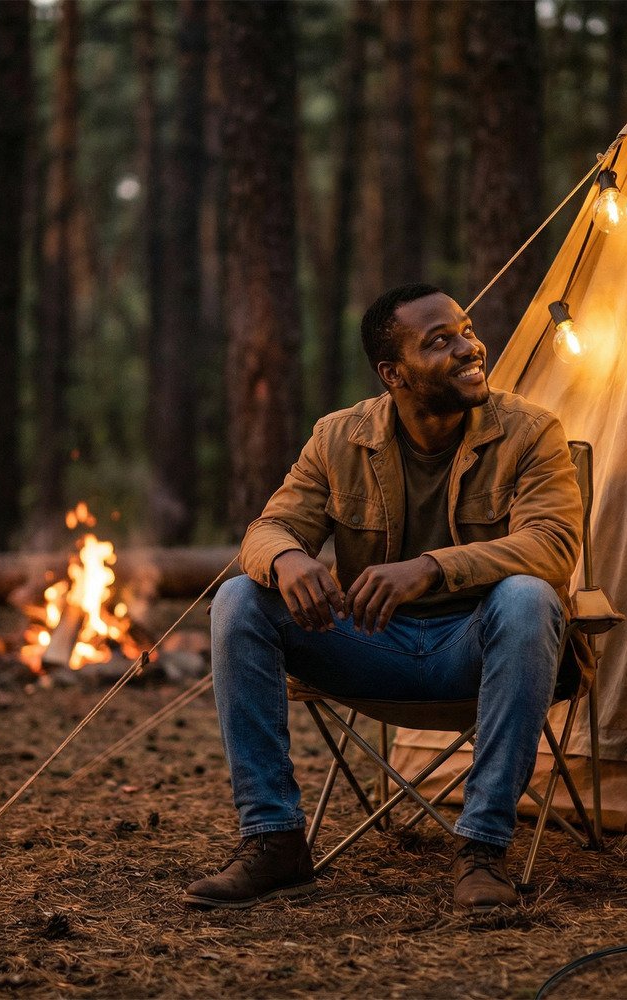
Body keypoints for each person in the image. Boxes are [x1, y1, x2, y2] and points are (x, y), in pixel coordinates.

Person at [184, 283, 583, 914]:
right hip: (370, 646)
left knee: (530, 597)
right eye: (440, 341)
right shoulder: (340, 438)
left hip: (478, 647)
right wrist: (288, 559)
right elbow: (269, 529)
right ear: (392, 373)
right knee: (239, 599)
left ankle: (482, 849)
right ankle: (274, 840)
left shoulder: (530, 432)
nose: (469, 348)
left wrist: (429, 570)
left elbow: (553, 546)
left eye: (467, 330)